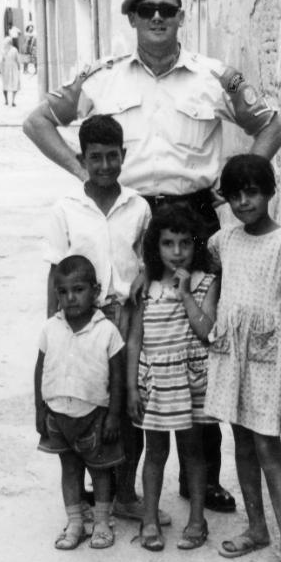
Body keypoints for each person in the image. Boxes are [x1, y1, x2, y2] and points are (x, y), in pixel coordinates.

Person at [24, 0, 281, 514]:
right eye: (148, 11)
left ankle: (204, 481)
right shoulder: (101, 79)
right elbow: (37, 123)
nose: (159, 19)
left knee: (201, 343)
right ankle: (119, 481)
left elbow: (273, 125)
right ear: (133, 19)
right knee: (129, 339)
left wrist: (234, 183)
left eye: (168, 10)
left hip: (195, 218)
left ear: (179, 17)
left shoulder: (213, 77)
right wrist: (83, 171)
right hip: (128, 213)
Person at [43, 115, 170, 527]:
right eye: (95, 158)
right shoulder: (66, 209)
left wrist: (143, 278)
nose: (104, 166)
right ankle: (90, 494)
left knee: (126, 404)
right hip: (82, 320)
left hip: (127, 316)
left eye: (112, 157)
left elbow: (152, 259)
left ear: (123, 156)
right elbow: (55, 272)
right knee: (87, 404)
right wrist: (55, 328)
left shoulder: (138, 206)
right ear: (83, 158)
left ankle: (126, 493)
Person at [206, 155, 281, 562]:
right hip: (233, 356)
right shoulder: (225, 240)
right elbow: (213, 270)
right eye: (234, 195)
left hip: (270, 360)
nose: (244, 201)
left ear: (270, 191)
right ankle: (256, 527)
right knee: (242, 443)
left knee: (268, 448)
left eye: (252, 192)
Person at [126, 204, 218, 551]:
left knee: (193, 451)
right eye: (168, 244)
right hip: (158, 381)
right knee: (155, 451)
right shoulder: (146, 286)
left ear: (196, 246)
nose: (177, 252)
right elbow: (135, 339)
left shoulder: (204, 283)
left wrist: (185, 295)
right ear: (156, 246)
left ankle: (197, 520)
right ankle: (149, 519)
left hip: (191, 379)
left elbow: (206, 330)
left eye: (184, 244)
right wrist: (132, 386)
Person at [34, 256, 126, 551]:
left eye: (79, 289)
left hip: (94, 414)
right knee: (69, 469)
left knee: (100, 470)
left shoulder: (107, 331)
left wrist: (113, 416)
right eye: (62, 292)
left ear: (96, 291)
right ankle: (75, 522)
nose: (70, 298)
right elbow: (40, 369)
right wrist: (39, 408)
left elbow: (117, 376)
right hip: (58, 413)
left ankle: (101, 522)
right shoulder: (51, 328)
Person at [0, 37, 21, 106]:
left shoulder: (4, 50)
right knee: (13, 83)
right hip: (12, 68)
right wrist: (19, 68)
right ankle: (11, 101)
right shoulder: (14, 50)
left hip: (6, 68)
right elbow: (18, 60)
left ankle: (8, 101)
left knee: (6, 84)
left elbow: (0, 60)